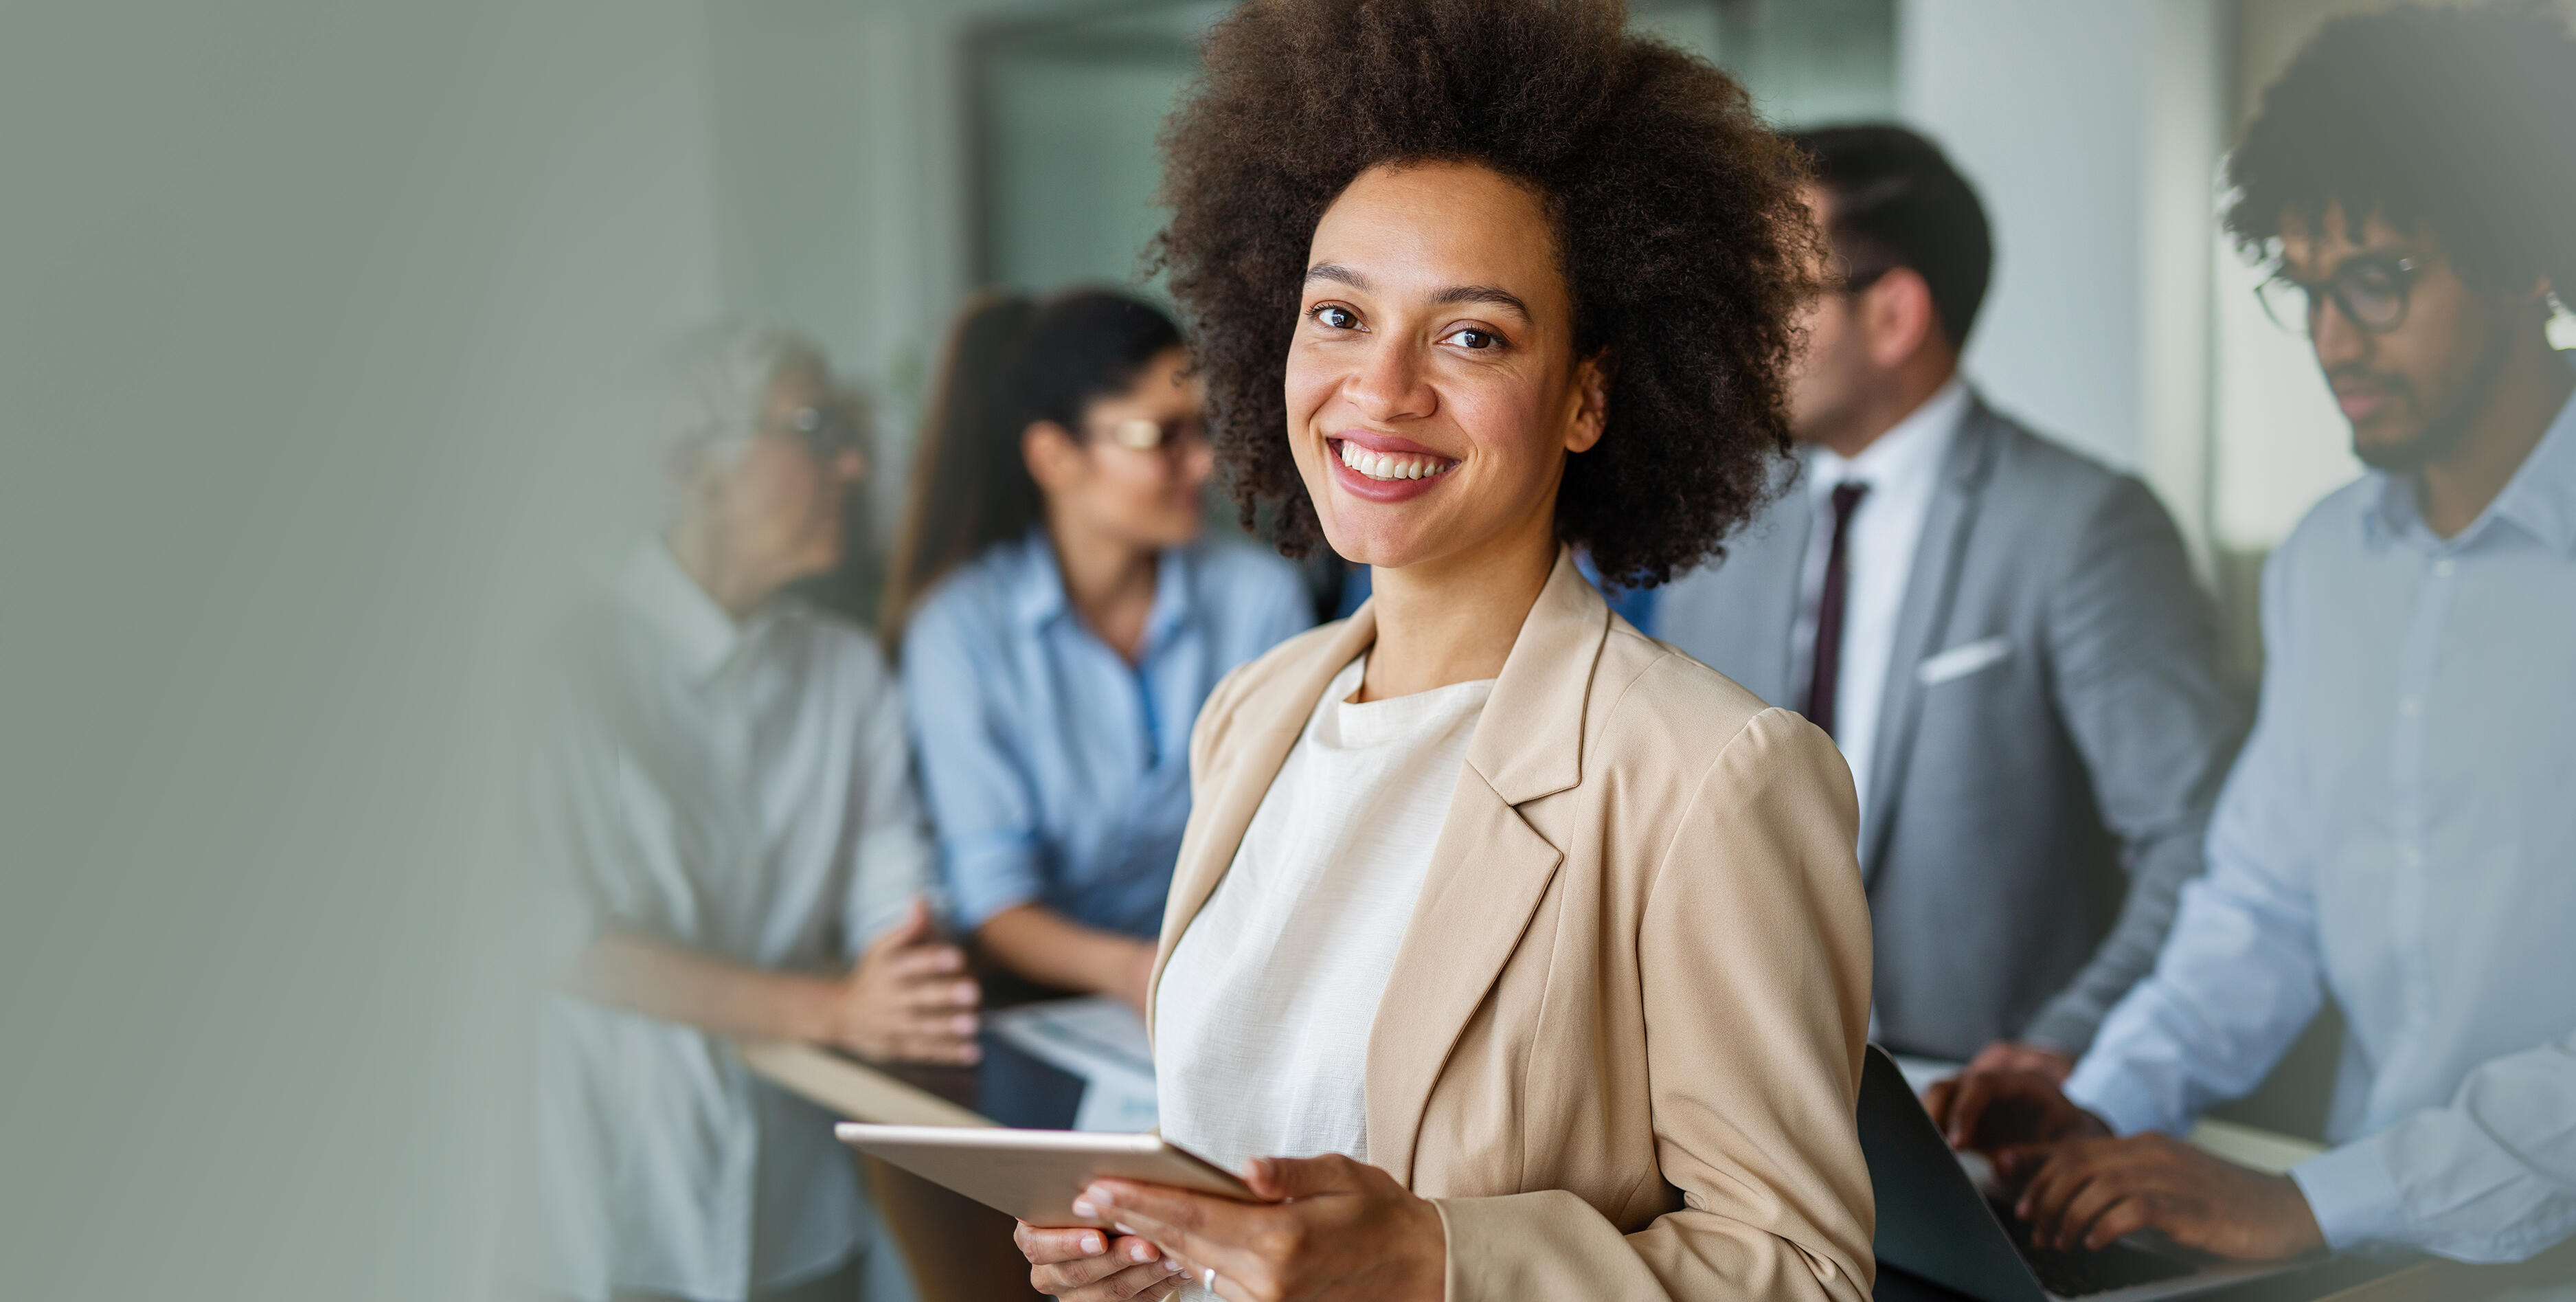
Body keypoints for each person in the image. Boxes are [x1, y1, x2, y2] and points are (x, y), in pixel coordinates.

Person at [1013, 1, 1875, 1298]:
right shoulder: (1255, 714)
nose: (1381, 389)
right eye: (1339, 316)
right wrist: (1156, 1252)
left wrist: (1437, 1259)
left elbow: (1804, 1272)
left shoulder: (1713, 777)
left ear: (1588, 395)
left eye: (1471, 334)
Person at [1930, 3, 2576, 1266]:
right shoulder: (2329, 560)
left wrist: (2315, 1205)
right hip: (2381, 1251)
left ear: (2525, 258)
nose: (2335, 341)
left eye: (2381, 280)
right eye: (2307, 288)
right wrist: (2103, 1099)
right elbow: (2264, 907)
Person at [1655, 124, 2244, 1075]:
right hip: (1726, 1091)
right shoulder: (1723, 531)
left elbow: (2197, 837)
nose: (1739, 328)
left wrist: (2062, 1052)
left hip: (1969, 1120)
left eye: (1772, 292)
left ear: (1892, 315)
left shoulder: (2081, 525)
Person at [525, 324, 982, 1302]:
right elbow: (560, 939)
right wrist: (837, 1005)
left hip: (797, 1217)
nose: (852, 463)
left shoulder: (844, 667)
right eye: (813, 430)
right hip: (614, 1215)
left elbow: (892, 897)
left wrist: (901, 965)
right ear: (693, 467)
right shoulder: (561, 664)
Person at [887, 289, 1310, 1012]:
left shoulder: (1258, 597)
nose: (1202, 463)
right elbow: (996, 904)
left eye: (1203, 429)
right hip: (1046, 1006)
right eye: (1160, 436)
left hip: (1234, 986)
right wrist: (1144, 973)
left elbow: (1290, 839)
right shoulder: (960, 632)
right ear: (1054, 455)